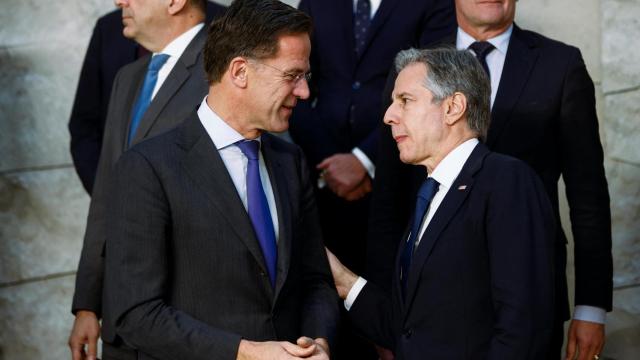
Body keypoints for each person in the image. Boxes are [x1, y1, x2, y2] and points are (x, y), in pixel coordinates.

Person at [367, 1, 613, 359]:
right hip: (428, 302)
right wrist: (385, 309)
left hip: (527, 299)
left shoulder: (560, 65)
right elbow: (388, 194)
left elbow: (588, 193)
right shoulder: (413, 66)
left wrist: (591, 307)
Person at [102, 0, 339, 359]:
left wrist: (317, 343)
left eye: (305, 77)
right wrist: (245, 352)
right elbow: (136, 314)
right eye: (292, 76)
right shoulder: (148, 168)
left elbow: (316, 280)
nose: (304, 92)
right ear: (240, 72)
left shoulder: (290, 162)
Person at [328, 47, 555, 359]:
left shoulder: (506, 181)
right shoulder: (430, 194)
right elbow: (411, 331)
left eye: (405, 101)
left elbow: (523, 327)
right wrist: (344, 281)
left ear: (453, 107)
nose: (388, 115)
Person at [289, 1, 456, 357]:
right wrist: (331, 163)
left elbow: (435, 87)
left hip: (399, 182)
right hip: (323, 187)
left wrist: (364, 161)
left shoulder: (435, 5)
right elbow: (296, 83)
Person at [68, 1, 226, 359]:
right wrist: (88, 305)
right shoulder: (129, 78)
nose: (119, 2)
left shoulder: (224, 68)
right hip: (123, 325)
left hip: (193, 323)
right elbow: (108, 196)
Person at [68, 1, 226, 194]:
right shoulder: (126, 76)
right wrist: (114, 208)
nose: (119, 2)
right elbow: (89, 133)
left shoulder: (227, 60)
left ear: (175, 2)